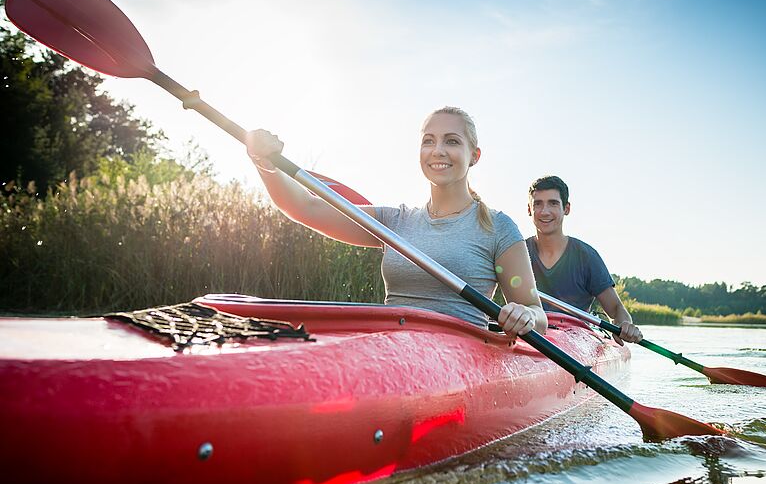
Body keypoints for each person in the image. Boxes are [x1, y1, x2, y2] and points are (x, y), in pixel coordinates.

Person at [245, 106, 547, 337]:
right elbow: (305, 208)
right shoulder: (393, 222)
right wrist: (266, 165)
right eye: (429, 141)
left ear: (474, 156)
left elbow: (537, 314)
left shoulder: (498, 228)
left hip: (461, 363)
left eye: (452, 141)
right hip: (393, 354)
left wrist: (525, 315)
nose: (438, 150)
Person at [526, 175, 642, 345]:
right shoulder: (516, 251)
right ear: (529, 209)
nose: (545, 211)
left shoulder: (586, 256)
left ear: (566, 208)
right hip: (529, 335)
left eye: (553, 203)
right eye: (538, 204)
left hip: (576, 342)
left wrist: (624, 324)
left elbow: (616, 309)